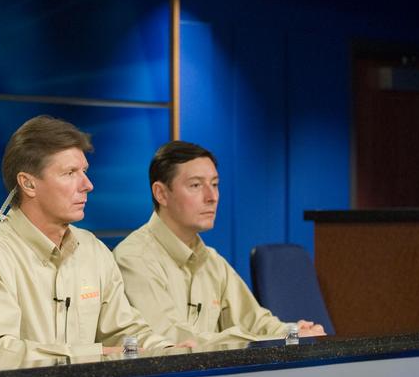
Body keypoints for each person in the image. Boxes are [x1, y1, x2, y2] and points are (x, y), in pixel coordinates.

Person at [0, 115, 179, 367]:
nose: (87, 185)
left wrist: (168, 351)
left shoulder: (93, 250)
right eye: (69, 173)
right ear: (28, 184)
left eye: (84, 171)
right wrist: (87, 356)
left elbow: (125, 331)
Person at [114, 141, 326, 344]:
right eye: (196, 185)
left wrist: (294, 332)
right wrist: (277, 339)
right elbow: (172, 339)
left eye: (215, 184)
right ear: (161, 193)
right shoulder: (133, 258)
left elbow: (255, 322)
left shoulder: (213, 261)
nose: (211, 196)